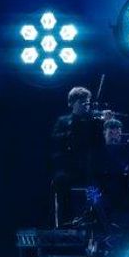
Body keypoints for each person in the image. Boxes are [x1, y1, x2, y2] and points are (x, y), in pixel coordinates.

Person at [50, 87, 105, 225]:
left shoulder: (92, 121)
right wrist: (73, 130)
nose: (86, 106)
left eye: (87, 102)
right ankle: (65, 221)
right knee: (61, 181)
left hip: (89, 166)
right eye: (82, 102)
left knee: (101, 182)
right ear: (72, 103)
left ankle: (98, 220)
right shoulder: (63, 121)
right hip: (69, 167)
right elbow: (55, 141)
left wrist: (100, 123)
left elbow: (100, 144)